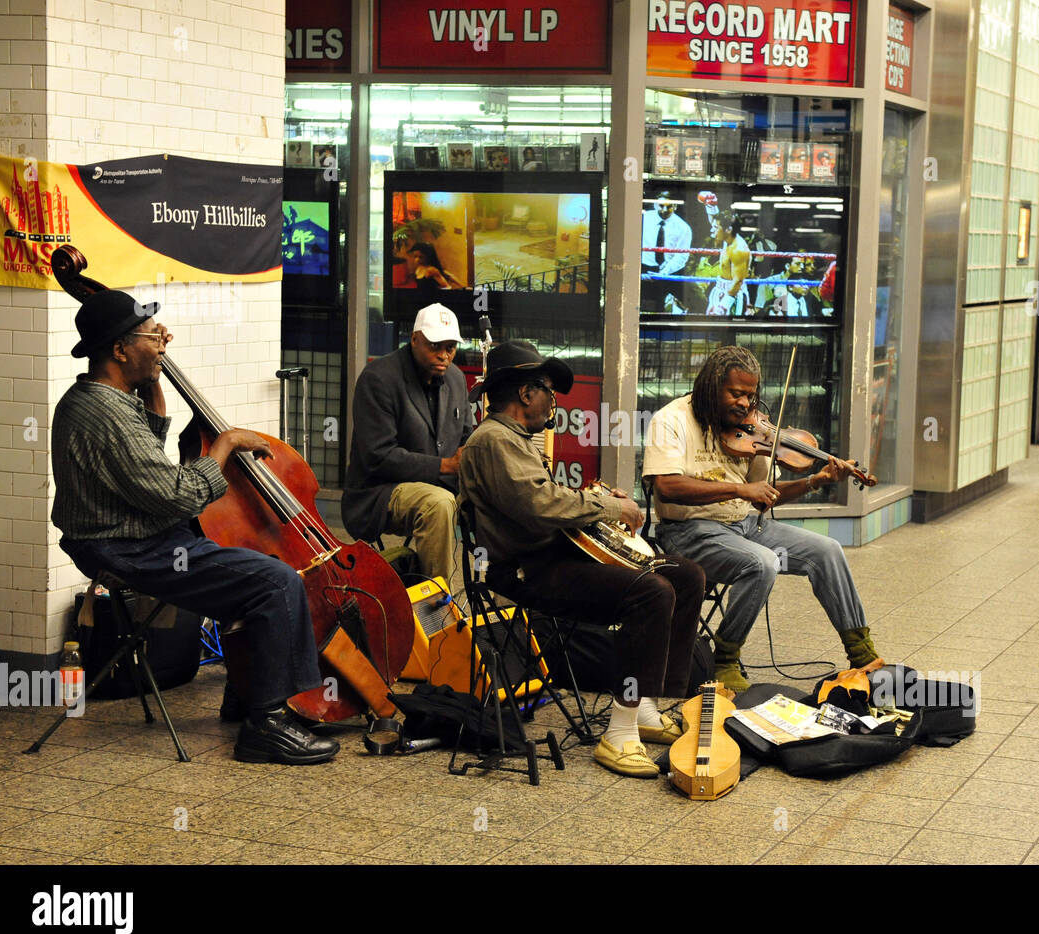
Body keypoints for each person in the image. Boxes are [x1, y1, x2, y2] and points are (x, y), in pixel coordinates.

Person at [51, 289, 338, 765]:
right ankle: (266, 724)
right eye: (149, 340)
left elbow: (147, 448)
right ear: (120, 350)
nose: (160, 346)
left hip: (133, 534)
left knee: (253, 567)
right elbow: (177, 494)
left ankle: (245, 694)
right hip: (129, 547)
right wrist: (222, 445)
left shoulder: (104, 400)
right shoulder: (103, 413)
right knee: (277, 580)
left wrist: (155, 379)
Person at [458, 341, 706, 777]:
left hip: (552, 556)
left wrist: (591, 499)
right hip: (525, 569)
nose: (554, 401)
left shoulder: (514, 439)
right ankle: (620, 735)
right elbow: (539, 505)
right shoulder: (493, 440)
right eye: (549, 391)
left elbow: (546, 501)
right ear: (525, 393)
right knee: (651, 592)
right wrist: (609, 508)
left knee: (686, 574)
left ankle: (645, 707)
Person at [643, 345, 880, 692]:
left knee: (827, 550)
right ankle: (725, 656)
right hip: (689, 531)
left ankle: (862, 653)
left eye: (751, 396)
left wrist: (816, 481)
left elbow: (765, 496)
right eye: (736, 394)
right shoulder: (671, 419)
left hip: (746, 526)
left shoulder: (750, 430)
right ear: (711, 386)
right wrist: (739, 491)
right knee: (762, 563)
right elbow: (667, 487)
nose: (744, 404)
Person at [343, 304, 472, 584]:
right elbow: (378, 457)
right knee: (439, 504)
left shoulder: (456, 378)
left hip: (440, 483)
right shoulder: (378, 378)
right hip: (379, 491)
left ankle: (510, 590)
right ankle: (436, 605)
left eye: (450, 347)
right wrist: (446, 465)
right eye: (435, 345)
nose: (444, 354)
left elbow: (466, 437)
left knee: (502, 491)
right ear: (414, 339)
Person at [640, 190, 692, 314]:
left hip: (669, 270)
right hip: (643, 267)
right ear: (655, 204)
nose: (664, 210)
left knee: (662, 309)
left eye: (668, 206)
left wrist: (663, 273)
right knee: (641, 306)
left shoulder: (683, 228)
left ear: (675, 206)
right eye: (661, 205)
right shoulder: (643, 219)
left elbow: (682, 256)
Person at [705, 211, 752, 316]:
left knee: (729, 330)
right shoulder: (728, 239)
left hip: (732, 295)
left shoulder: (738, 249)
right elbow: (717, 222)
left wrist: (723, 306)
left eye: (716, 228)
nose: (712, 230)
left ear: (729, 230)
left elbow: (738, 282)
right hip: (719, 290)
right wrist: (710, 206)